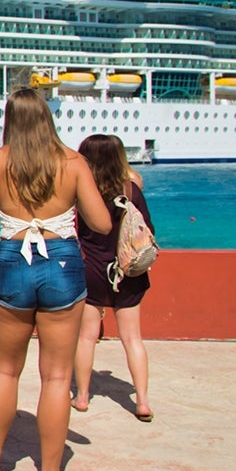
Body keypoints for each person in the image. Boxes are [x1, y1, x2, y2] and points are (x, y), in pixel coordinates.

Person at [0, 87, 112, 471]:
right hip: (61, 263)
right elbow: (102, 224)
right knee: (57, 376)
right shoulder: (72, 163)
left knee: (5, 370)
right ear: (47, 118)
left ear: (10, 120)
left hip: (13, 262)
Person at [72, 134, 154, 421]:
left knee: (86, 337)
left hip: (92, 270)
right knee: (132, 339)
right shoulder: (131, 190)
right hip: (128, 270)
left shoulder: (83, 193)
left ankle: (82, 397)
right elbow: (147, 229)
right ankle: (142, 402)